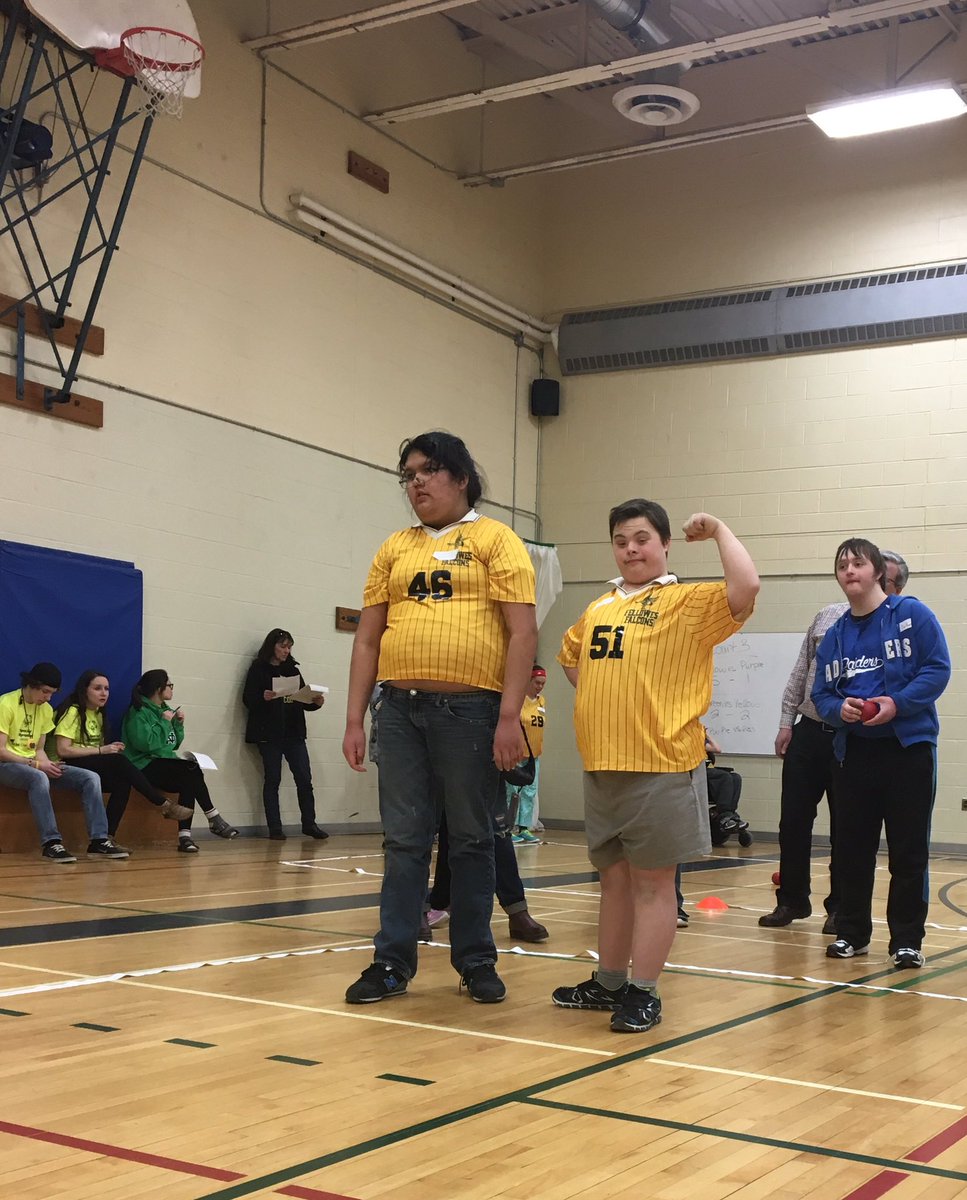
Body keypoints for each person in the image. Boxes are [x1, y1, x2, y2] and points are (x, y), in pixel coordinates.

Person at [342, 431, 537, 1005]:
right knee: (403, 840)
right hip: (399, 711)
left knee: (474, 840)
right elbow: (367, 640)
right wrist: (355, 720)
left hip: (473, 713)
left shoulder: (497, 541)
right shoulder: (394, 548)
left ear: (461, 478)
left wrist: (509, 718)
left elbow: (523, 633)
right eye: (408, 474)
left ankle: (475, 960)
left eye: (427, 471)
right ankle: (391, 963)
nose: (417, 483)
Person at [553, 501, 758, 1033]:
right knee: (614, 883)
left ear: (664, 544)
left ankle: (644, 991)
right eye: (621, 540)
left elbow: (746, 589)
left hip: (661, 764)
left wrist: (718, 529)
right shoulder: (598, 607)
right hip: (602, 765)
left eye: (641, 539)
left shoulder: (687, 601)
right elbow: (572, 658)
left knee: (653, 885)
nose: (630, 549)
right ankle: (610, 981)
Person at [812, 539, 948, 968]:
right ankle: (852, 932)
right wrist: (841, 710)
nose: (849, 570)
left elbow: (937, 669)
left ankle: (906, 940)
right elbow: (821, 695)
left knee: (908, 851)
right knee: (852, 849)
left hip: (908, 752)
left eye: (857, 563)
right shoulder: (834, 635)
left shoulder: (912, 615)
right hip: (854, 755)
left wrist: (897, 704)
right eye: (842, 565)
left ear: (876, 572)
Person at [760, 550, 910, 932]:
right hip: (809, 729)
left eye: (882, 580)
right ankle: (791, 900)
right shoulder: (828, 618)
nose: (854, 577)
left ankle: (841, 908)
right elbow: (800, 672)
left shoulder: (898, 622)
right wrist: (785, 722)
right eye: (845, 568)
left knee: (848, 828)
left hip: (851, 737)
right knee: (792, 821)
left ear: (890, 584)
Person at [0, 661, 129, 862]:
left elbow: (40, 749)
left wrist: (48, 764)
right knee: (38, 779)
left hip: (35, 763)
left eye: (52, 693)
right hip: (7, 765)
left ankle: (99, 840)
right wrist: (36, 765)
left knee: (90, 777)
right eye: (44, 692)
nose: (48, 698)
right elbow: (1, 751)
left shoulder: (45, 710)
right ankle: (51, 842)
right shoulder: (6, 704)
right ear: (31, 685)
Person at [53, 669, 192, 835]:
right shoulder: (73, 711)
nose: (104, 693)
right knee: (118, 761)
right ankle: (161, 803)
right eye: (97, 688)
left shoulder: (98, 714)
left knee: (123, 780)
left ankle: (107, 837)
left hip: (88, 761)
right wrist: (102, 750)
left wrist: (108, 749)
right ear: (84, 690)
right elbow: (63, 750)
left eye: (106, 689)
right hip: (62, 764)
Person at [122, 670, 238, 852]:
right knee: (190, 772)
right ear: (158, 688)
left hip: (162, 761)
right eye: (169, 685)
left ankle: (185, 838)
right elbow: (146, 744)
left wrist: (177, 726)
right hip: (143, 764)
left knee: (190, 777)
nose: (171, 689)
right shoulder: (138, 712)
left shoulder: (164, 710)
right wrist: (164, 723)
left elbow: (172, 744)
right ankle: (213, 817)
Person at [242, 628, 328, 841]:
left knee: (304, 779)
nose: (286, 651)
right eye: (282, 646)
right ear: (272, 646)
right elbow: (248, 699)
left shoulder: (293, 670)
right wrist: (264, 697)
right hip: (268, 733)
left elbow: (301, 699)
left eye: (289, 647)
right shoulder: (258, 669)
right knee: (273, 779)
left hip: (293, 732)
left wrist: (315, 702)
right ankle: (275, 828)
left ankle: (309, 823)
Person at [509, 664, 546, 845]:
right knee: (512, 791)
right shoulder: (518, 700)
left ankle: (524, 828)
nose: (540, 686)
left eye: (543, 683)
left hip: (534, 754)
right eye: (537, 682)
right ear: (529, 681)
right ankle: (509, 827)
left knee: (530, 792)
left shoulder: (541, 701)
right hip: (516, 753)